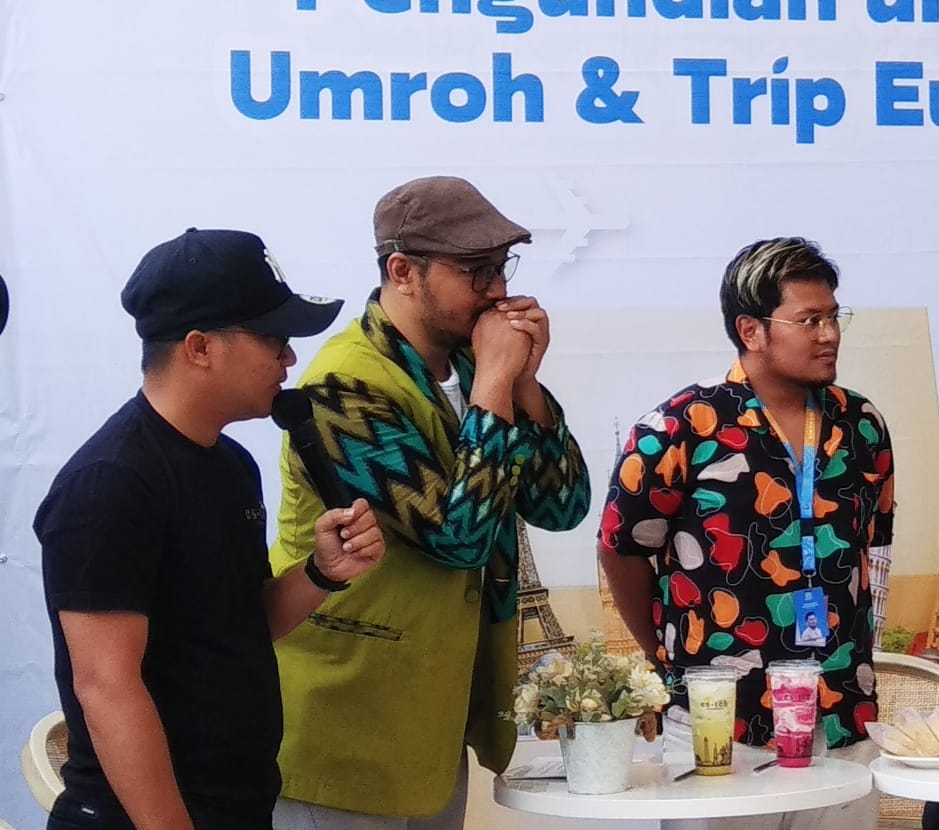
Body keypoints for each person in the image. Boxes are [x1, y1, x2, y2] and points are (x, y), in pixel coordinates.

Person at [35, 228, 385, 830]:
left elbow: (241, 625)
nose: (289, 359)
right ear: (199, 347)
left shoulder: (231, 465)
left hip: (237, 806)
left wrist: (322, 573)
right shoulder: (110, 483)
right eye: (274, 338)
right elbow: (106, 686)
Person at [269, 176, 591, 828]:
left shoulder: (471, 365)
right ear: (403, 272)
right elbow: (459, 537)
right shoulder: (343, 385)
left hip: (435, 720)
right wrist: (496, 381)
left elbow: (563, 507)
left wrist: (525, 386)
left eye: (501, 267)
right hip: (343, 721)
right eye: (475, 271)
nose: (497, 291)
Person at [599, 237, 894, 830]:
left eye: (834, 317)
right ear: (750, 330)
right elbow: (621, 549)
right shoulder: (680, 426)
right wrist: (664, 657)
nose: (829, 335)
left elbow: (870, 544)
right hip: (721, 722)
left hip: (840, 715)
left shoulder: (862, 425)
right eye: (808, 320)